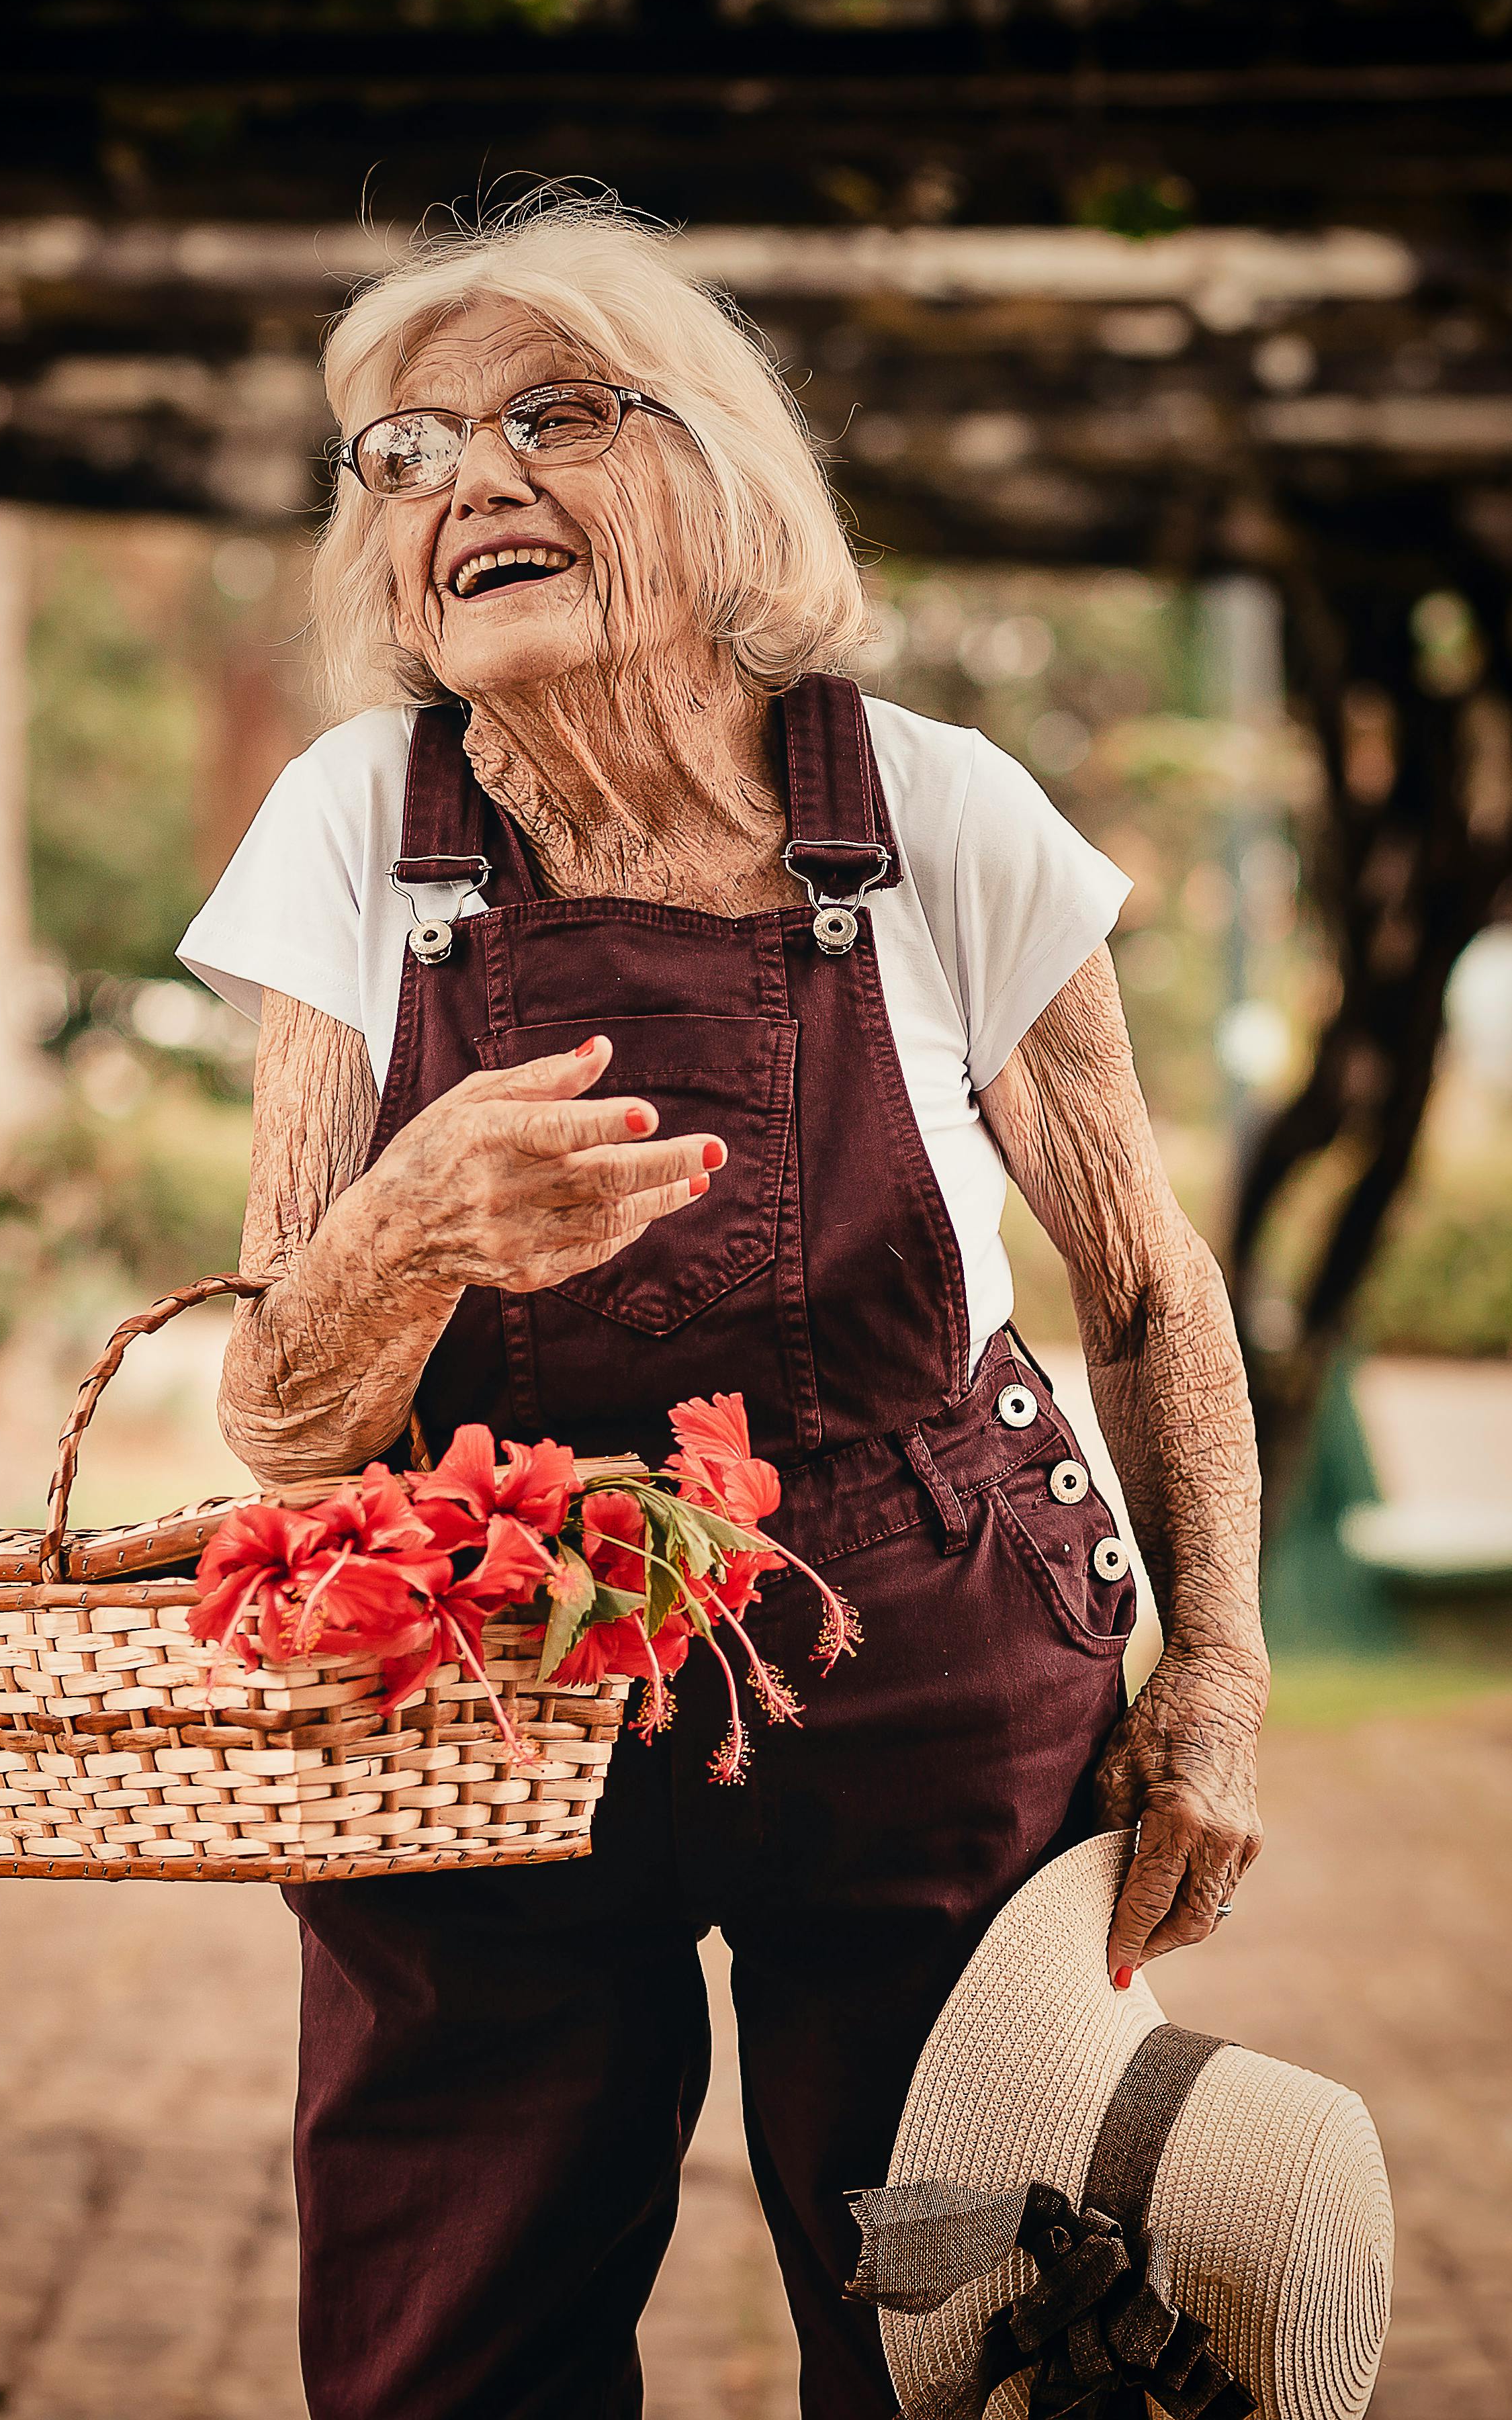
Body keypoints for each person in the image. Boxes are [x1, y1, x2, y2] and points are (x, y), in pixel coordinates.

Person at [177, 195, 1268, 2420]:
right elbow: (282, 1429)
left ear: (721, 475)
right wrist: (402, 1232)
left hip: (923, 1646)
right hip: (475, 1660)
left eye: (547, 417)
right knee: (442, 2339)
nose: (465, 481)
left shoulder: (937, 811)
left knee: (964, 2325)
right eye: (402, 454)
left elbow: (1146, 1283)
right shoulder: (347, 835)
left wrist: (1221, 1667)